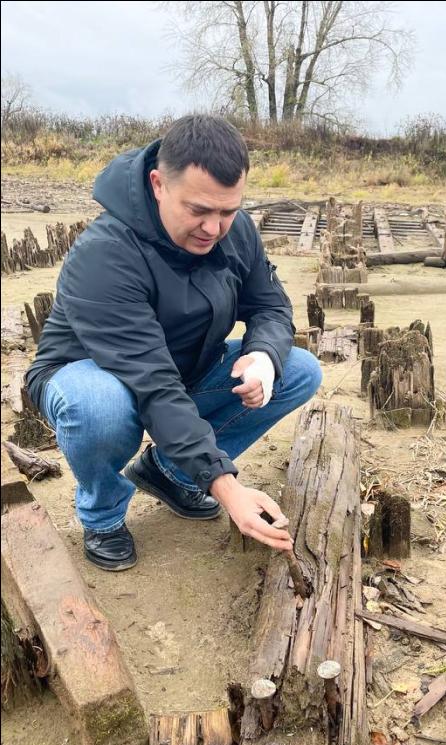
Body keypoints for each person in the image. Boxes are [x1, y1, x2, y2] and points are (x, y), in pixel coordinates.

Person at [24, 115, 322, 571]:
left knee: (297, 369)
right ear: (159, 184)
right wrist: (227, 487)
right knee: (100, 406)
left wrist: (262, 354)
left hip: (185, 369)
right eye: (199, 210)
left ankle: (168, 471)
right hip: (93, 375)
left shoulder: (234, 230)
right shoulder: (106, 254)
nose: (214, 227)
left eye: (228, 211)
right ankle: (102, 514)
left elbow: (270, 306)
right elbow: (152, 383)